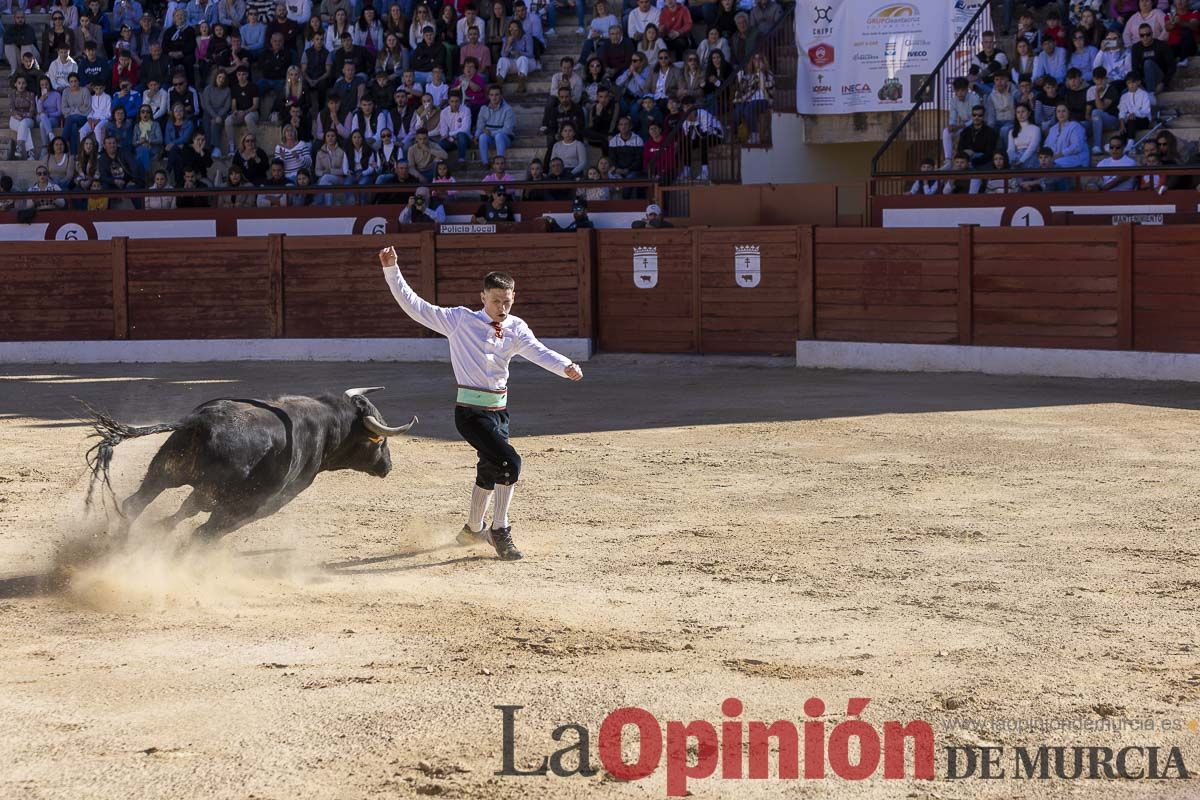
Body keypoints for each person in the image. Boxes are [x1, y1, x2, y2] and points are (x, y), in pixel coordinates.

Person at [378, 246, 584, 560]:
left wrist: (564, 366)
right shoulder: (459, 320)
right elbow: (415, 306)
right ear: (483, 297)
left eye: (507, 300)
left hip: (500, 412)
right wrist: (392, 270)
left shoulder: (516, 328)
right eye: (496, 300)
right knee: (510, 463)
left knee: (490, 469)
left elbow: (538, 351)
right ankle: (498, 531)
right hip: (470, 413)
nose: (502, 307)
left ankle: (473, 529)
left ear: (514, 297)